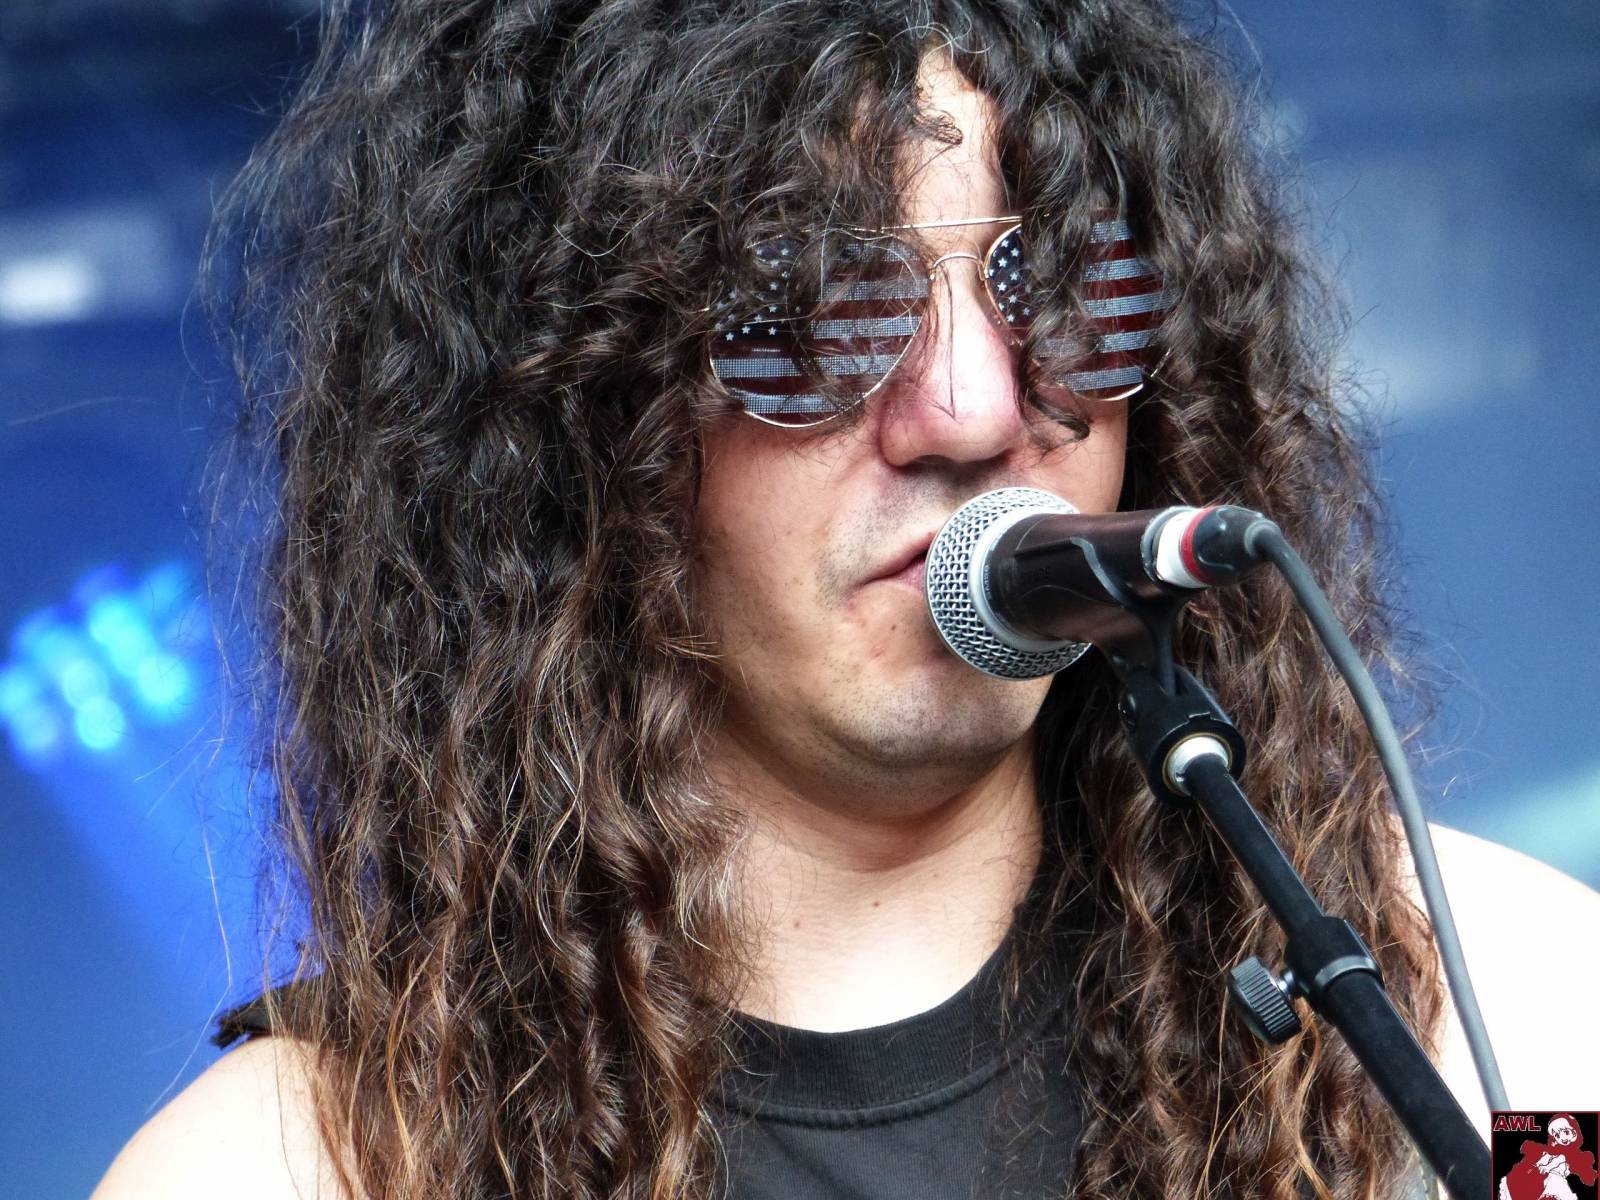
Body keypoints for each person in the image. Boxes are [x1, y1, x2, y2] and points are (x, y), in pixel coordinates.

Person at [92, 2, 1600, 1198]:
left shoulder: (1506, 1021)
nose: (971, 409)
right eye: (811, 307)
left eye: (1061, 285)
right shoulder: (294, 1171)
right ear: (570, 428)